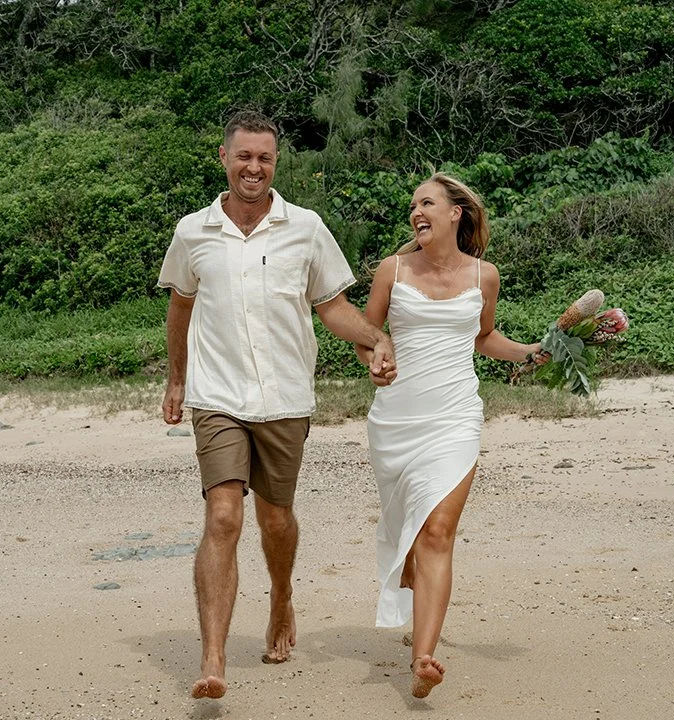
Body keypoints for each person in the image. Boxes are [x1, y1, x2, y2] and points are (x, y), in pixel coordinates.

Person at [158, 109, 396, 700]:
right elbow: (181, 308)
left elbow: (333, 307)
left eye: (264, 157)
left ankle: (282, 598)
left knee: (274, 518)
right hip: (217, 397)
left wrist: (376, 338)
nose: (253, 167)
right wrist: (176, 381)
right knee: (223, 516)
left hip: (286, 395)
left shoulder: (307, 227)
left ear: (276, 162)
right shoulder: (193, 232)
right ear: (224, 158)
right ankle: (213, 658)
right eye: (243, 156)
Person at [355, 172, 542, 698]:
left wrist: (531, 351)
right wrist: (375, 357)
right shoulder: (391, 270)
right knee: (411, 532)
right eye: (413, 204)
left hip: (456, 417)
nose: (417, 211)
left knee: (437, 531)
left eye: (428, 202)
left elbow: (484, 338)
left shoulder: (485, 275)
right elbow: (365, 336)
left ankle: (423, 657)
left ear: (456, 213)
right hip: (396, 420)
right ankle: (413, 585)